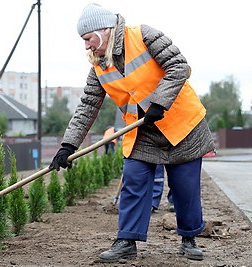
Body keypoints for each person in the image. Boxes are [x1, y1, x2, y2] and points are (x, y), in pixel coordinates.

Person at [50, 3, 215, 262]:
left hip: (182, 126)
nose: (86, 46)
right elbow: (88, 105)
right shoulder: (98, 66)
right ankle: (126, 240)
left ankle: (189, 238)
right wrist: (68, 146)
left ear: (104, 30)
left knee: (185, 187)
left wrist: (159, 102)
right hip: (142, 131)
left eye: (88, 39)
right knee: (134, 182)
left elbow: (179, 66)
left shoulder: (144, 35)